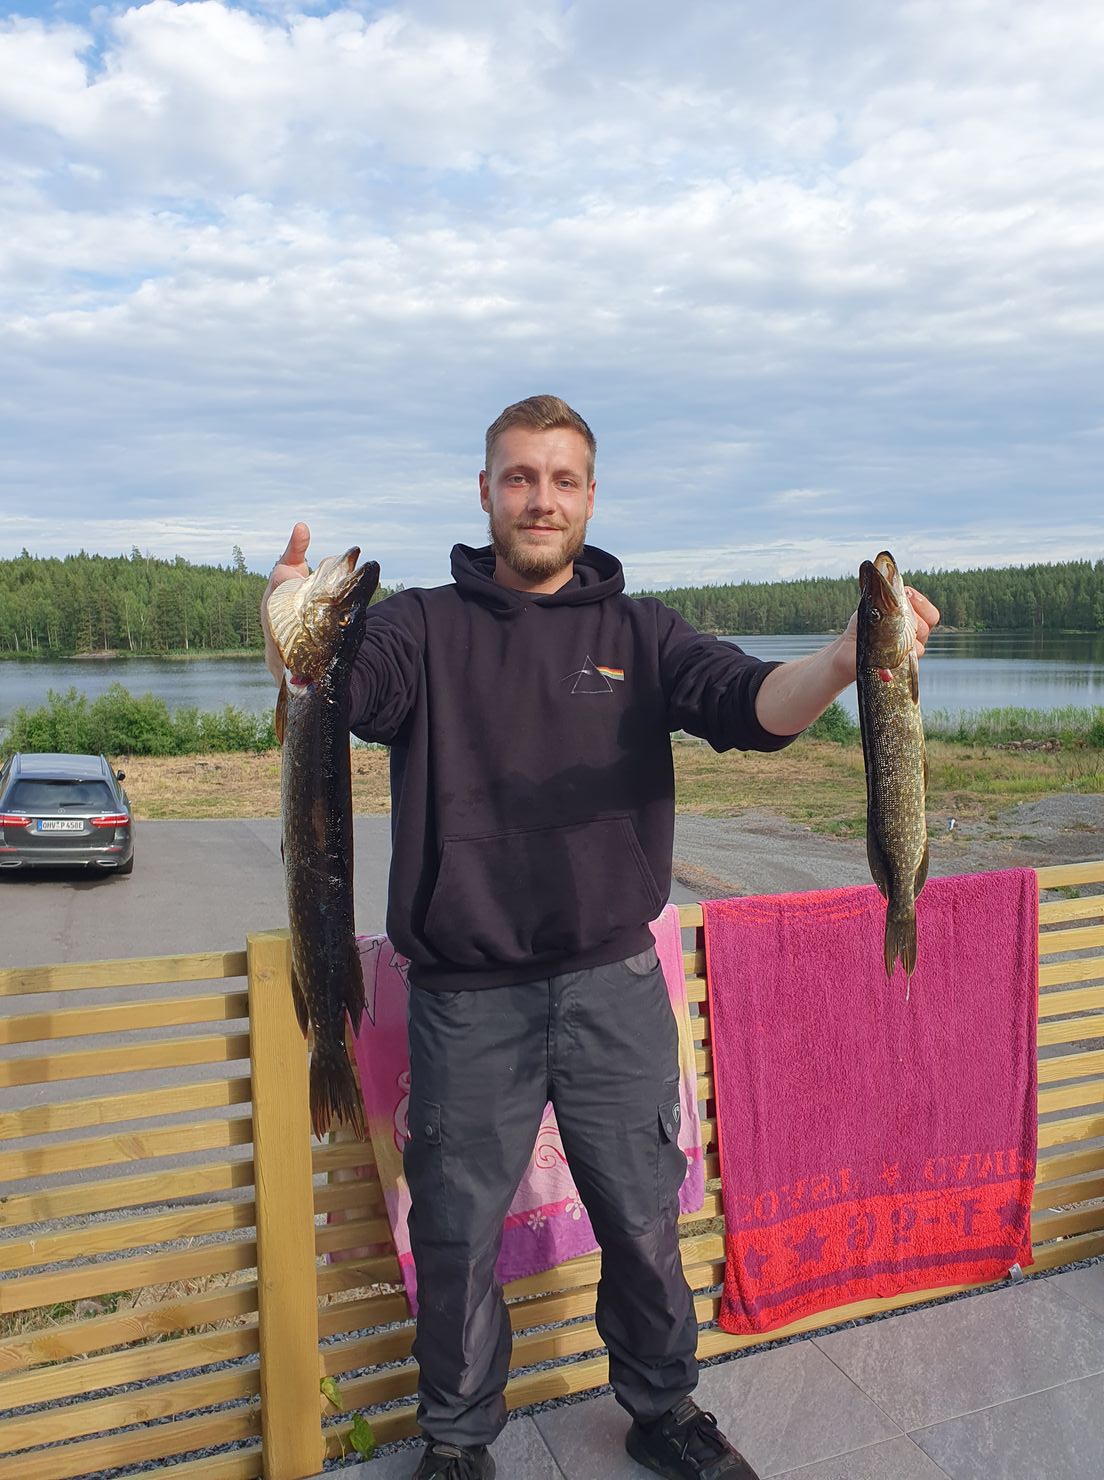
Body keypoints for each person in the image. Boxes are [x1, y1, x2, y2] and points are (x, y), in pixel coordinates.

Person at [262, 396, 939, 1480]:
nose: (541, 499)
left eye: (563, 479)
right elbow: (342, 694)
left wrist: (851, 657)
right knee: (455, 1233)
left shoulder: (642, 632)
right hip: (463, 999)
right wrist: (290, 634)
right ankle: (457, 1440)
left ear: (589, 496)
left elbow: (755, 705)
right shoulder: (417, 627)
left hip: (614, 987)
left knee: (639, 1217)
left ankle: (662, 1409)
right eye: (520, 477)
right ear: (486, 492)